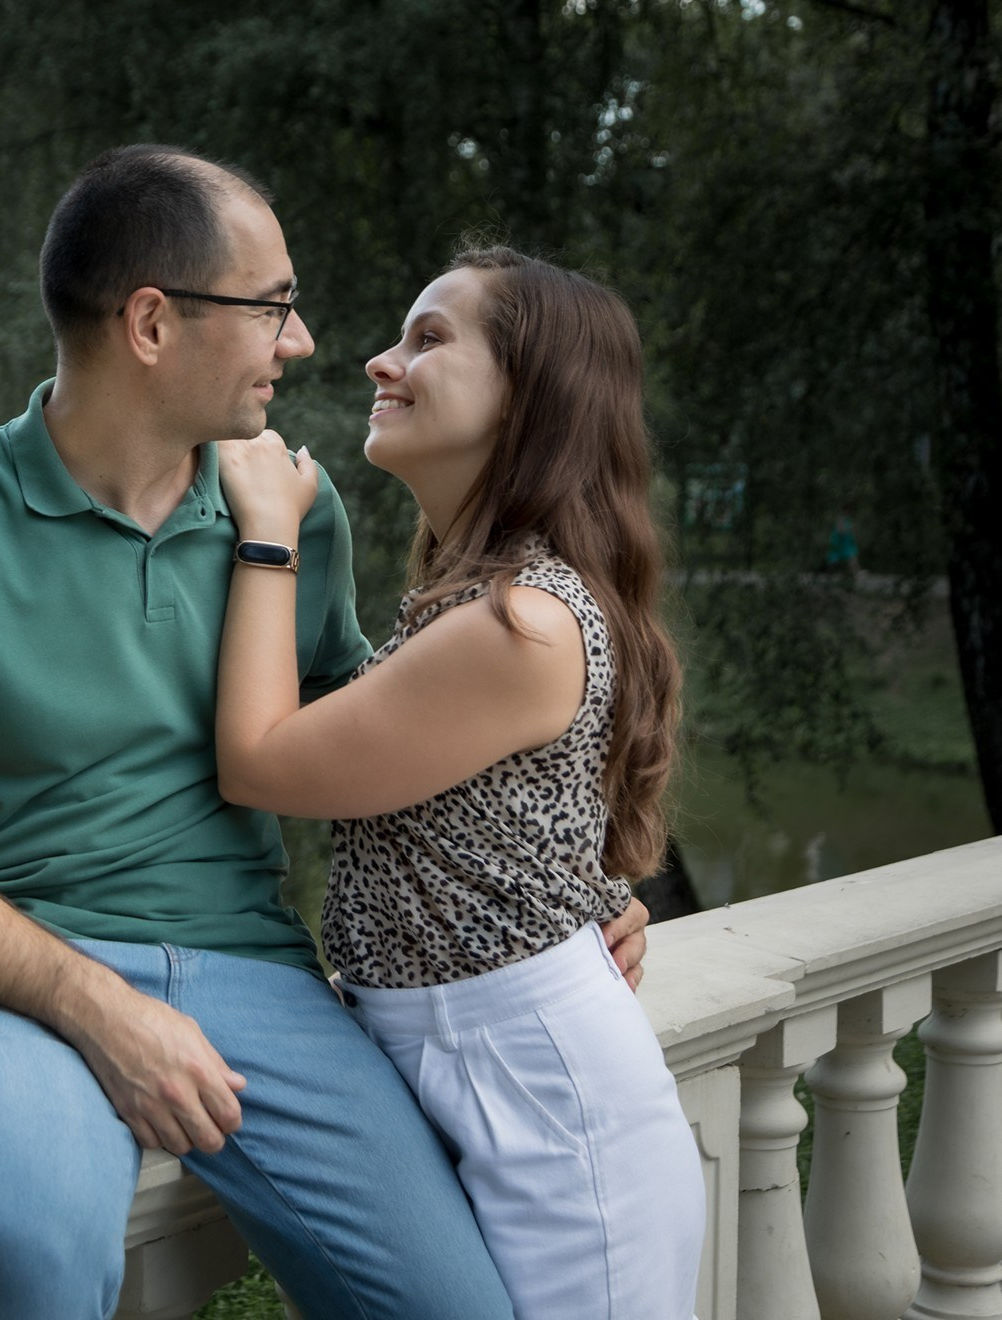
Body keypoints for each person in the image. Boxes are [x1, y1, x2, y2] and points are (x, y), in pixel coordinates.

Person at [0, 146, 647, 1319]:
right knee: (26, 1241)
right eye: (271, 307)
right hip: (13, 984)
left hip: (259, 976)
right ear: (152, 324)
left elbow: (387, 762)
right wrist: (99, 1008)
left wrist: (567, 895)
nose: (300, 342)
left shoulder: (296, 516)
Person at [213, 246, 705, 1319]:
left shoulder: (520, 621)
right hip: (469, 1066)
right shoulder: (482, 600)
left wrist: (268, 534)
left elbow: (258, 763)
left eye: (430, 338)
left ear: (528, 395)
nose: (380, 362)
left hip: (547, 1119)